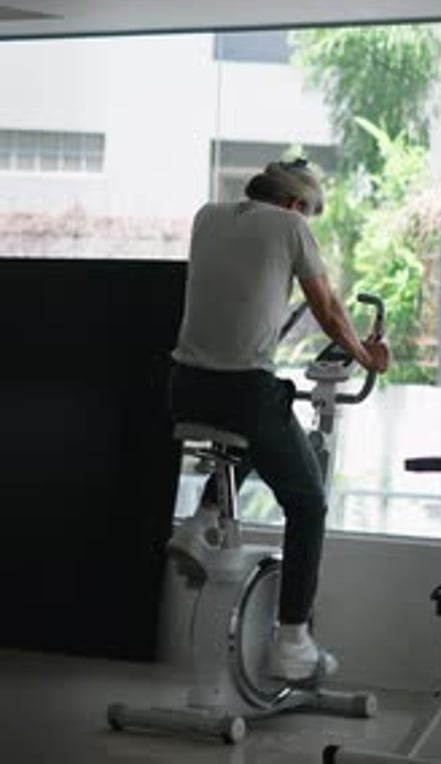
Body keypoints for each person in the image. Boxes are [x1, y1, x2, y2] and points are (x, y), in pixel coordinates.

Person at [169, 158, 389, 683]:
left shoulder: (207, 215)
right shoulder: (291, 226)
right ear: (296, 206)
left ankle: (199, 524)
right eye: (308, 214)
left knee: (264, 416)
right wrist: (365, 356)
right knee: (309, 502)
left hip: (185, 387)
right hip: (243, 390)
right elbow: (330, 311)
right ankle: (293, 641)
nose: (306, 222)